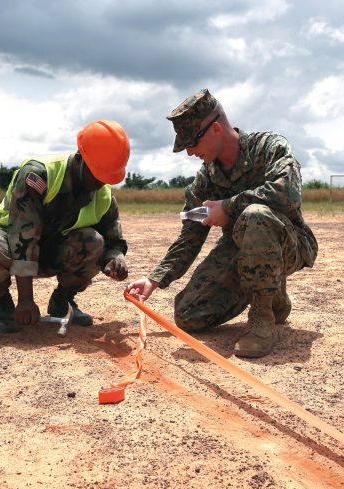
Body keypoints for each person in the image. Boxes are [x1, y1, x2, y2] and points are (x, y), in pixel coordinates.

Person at [127, 89, 318, 358]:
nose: (190, 151)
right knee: (189, 315)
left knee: (255, 215)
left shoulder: (268, 147)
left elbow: (288, 193)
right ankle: (274, 297)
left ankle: (263, 318)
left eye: (192, 141)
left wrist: (228, 207)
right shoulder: (205, 180)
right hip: (239, 250)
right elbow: (189, 238)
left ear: (215, 128)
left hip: (289, 244)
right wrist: (154, 279)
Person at [0, 119, 131, 333]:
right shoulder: (38, 175)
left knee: (93, 241)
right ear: (79, 158)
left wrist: (114, 258)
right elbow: (23, 235)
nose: (100, 183)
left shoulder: (103, 195)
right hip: (10, 246)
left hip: (49, 252)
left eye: (106, 177)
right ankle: (2, 304)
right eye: (96, 173)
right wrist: (26, 300)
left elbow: (114, 240)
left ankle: (62, 303)